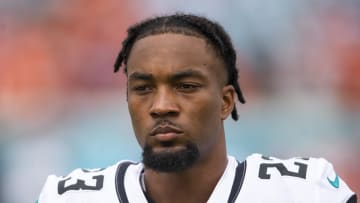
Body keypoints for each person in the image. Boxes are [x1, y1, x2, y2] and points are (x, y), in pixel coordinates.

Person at [37, 13, 357, 203]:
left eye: (186, 87)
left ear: (226, 101)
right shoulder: (73, 197)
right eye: (143, 88)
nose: (161, 106)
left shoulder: (300, 192)